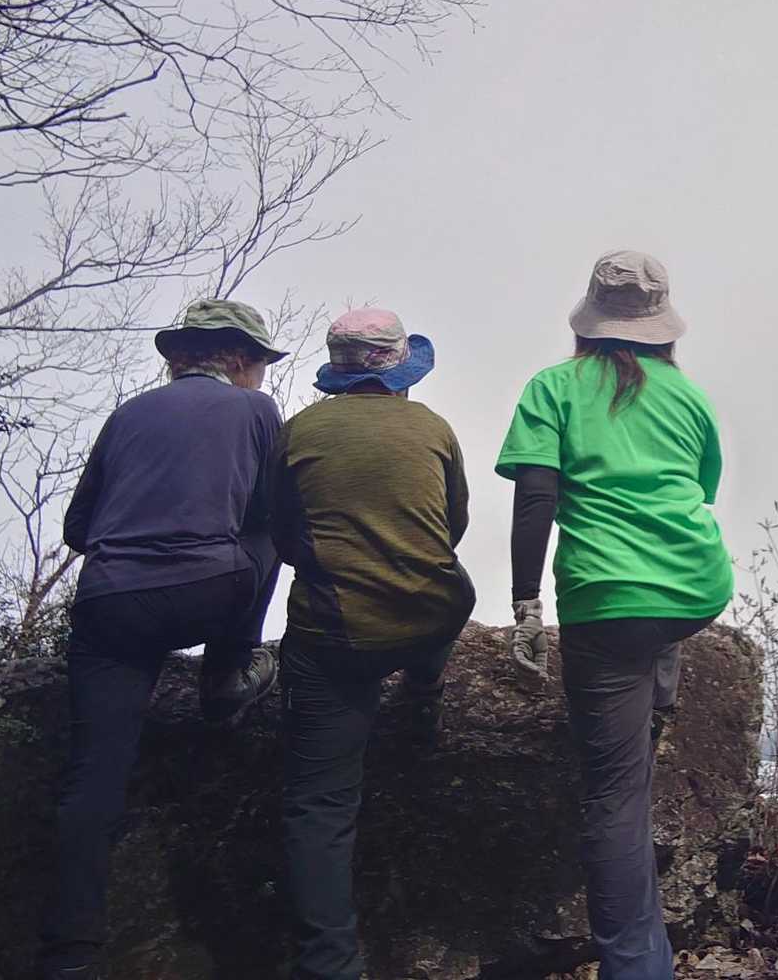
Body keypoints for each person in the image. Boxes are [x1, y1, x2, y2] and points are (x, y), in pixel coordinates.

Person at [496, 250, 733, 980]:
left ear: (590, 323)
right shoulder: (688, 396)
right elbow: (699, 491)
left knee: (615, 800)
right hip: (695, 586)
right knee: (652, 640)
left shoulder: (554, 387)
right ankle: (656, 696)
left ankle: (637, 969)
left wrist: (527, 602)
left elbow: (537, 498)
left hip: (608, 598)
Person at [41, 299, 286, 980]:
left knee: (93, 776)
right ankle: (226, 676)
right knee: (268, 535)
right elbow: (271, 515)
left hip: (110, 604)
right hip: (210, 590)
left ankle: (70, 956)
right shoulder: (256, 411)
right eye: (260, 363)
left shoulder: (127, 415)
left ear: (177, 359)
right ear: (240, 359)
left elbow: (78, 528)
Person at [267, 308, 474, 980]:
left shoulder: (300, 431)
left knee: (319, 803)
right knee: (454, 588)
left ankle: (332, 963)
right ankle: (424, 688)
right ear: (401, 373)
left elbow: (281, 533)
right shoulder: (433, 429)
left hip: (335, 637)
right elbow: (451, 527)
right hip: (427, 616)